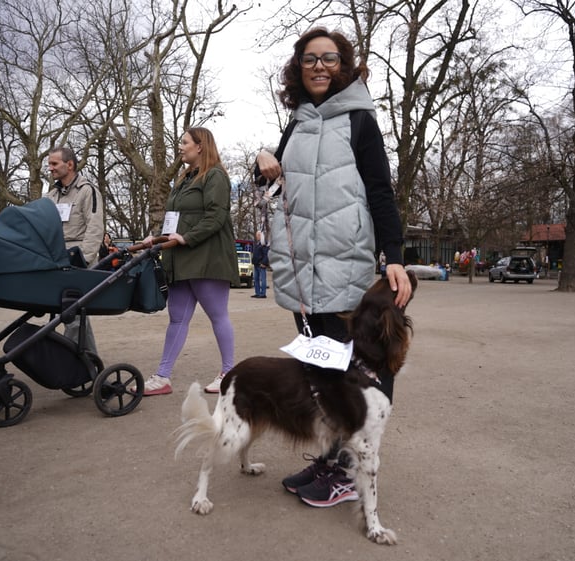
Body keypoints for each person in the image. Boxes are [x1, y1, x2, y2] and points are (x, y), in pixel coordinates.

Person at [255, 27, 413, 508]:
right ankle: (328, 459)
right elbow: (278, 179)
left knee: (353, 375)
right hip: (304, 273)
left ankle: (350, 470)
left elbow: (381, 192)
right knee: (315, 374)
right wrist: (263, 159)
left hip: (346, 270)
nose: (319, 66)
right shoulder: (297, 121)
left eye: (329, 58)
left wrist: (396, 257)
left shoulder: (361, 121)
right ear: (297, 69)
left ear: (344, 65)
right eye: (309, 59)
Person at [139, 127, 239, 396]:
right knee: (176, 319)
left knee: (217, 315)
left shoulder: (215, 175)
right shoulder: (184, 179)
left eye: (184, 142)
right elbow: (175, 219)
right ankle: (162, 376)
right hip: (181, 259)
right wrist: (158, 238)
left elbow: (216, 216)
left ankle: (229, 373)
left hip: (208, 258)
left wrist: (186, 238)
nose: (180, 147)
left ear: (200, 146)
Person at [45, 146, 104, 353]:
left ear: (69, 164)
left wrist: (83, 261)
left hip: (76, 262)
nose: (49, 168)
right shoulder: (51, 196)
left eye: (54, 163)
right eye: (49, 163)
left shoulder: (87, 190)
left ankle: (76, 360)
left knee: (74, 315)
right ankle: (86, 360)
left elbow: (95, 227)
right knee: (70, 314)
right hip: (55, 261)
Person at [251, 230, 269, 298]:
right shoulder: (257, 243)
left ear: (261, 235)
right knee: (256, 279)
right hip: (256, 264)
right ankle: (257, 292)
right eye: (256, 235)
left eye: (258, 235)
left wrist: (264, 263)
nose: (256, 237)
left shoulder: (264, 244)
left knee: (262, 279)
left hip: (261, 264)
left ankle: (263, 293)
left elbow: (266, 254)